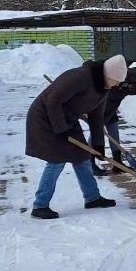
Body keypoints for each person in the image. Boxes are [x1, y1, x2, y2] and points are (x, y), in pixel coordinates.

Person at [25, 54, 126, 219]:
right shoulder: (79, 76)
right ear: (108, 74)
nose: (117, 85)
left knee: (82, 157)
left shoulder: (104, 88)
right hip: (45, 118)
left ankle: (92, 198)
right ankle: (40, 205)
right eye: (116, 80)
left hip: (67, 120)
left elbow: (96, 118)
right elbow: (53, 100)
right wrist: (60, 129)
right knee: (56, 160)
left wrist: (98, 147)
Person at [93, 66, 136, 175]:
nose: (135, 90)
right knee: (95, 138)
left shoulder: (125, 84)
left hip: (110, 111)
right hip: (97, 111)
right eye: (134, 87)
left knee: (114, 134)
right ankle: (91, 165)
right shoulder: (113, 83)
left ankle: (117, 163)